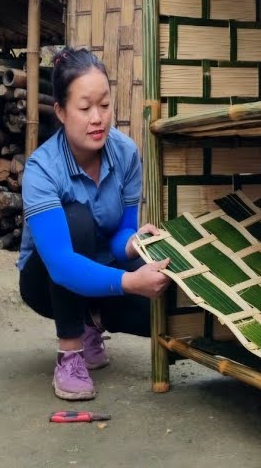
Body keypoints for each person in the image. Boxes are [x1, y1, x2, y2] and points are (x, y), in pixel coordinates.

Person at [18, 47, 171, 401]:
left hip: (102, 266)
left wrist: (133, 245)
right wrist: (131, 281)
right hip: (45, 281)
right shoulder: (42, 170)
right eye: (85, 108)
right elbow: (60, 264)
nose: (98, 117)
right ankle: (69, 354)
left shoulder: (127, 153)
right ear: (60, 111)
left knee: (163, 307)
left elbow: (120, 233)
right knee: (77, 219)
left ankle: (93, 322)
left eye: (104, 105)